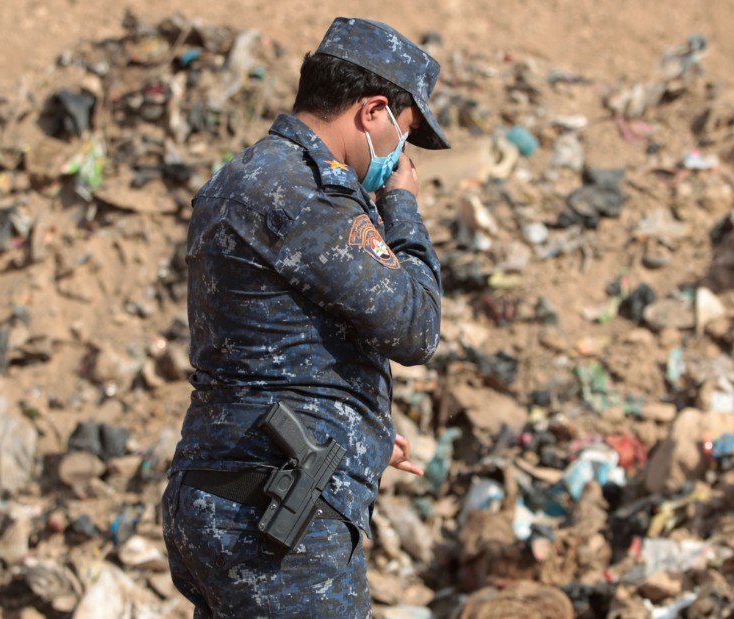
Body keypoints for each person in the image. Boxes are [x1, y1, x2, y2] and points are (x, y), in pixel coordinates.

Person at [162, 17, 449, 618]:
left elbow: (270, 345)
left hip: (224, 488)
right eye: (404, 133)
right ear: (373, 111)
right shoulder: (310, 192)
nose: (400, 156)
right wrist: (401, 205)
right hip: (277, 509)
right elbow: (417, 327)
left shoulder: (241, 176)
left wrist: (359, 432)